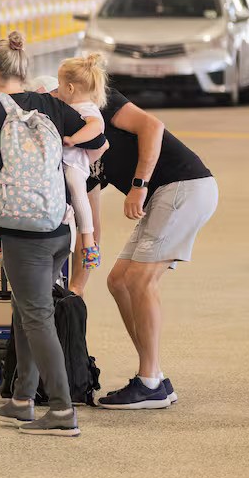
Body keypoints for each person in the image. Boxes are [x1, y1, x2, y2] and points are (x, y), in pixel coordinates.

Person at [0, 32, 105, 437]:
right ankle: (22, 398)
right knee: (29, 308)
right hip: (58, 226)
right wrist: (68, 140)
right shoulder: (49, 102)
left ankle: (62, 410)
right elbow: (97, 135)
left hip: (23, 230)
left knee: (37, 315)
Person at [90, 87, 218, 410]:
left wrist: (138, 186)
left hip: (182, 186)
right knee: (118, 280)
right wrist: (86, 257)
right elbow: (89, 216)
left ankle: (148, 382)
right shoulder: (76, 146)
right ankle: (155, 376)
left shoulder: (101, 104)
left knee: (140, 280)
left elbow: (153, 126)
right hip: (166, 194)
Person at [56, 55, 112, 296]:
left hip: (74, 165)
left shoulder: (87, 108)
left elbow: (96, 129)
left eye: (59, 85)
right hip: (68, 161)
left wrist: (73, 139)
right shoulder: (70, 105)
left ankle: (88, 241)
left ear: (69, 88)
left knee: (78, 191)